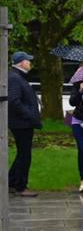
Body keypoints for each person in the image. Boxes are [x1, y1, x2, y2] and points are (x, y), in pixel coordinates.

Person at [8, 51, 41, 197]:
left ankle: (12, 182)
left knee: (22, 153)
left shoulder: (18, 76)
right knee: (25, 155)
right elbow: (14, 100)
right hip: (21, 123)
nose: (30, 63)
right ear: (21, 62)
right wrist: (29, 114)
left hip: (22, 123)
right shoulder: (15, 78)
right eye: (28, 60)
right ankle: (21, 186)